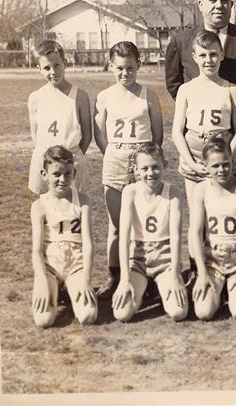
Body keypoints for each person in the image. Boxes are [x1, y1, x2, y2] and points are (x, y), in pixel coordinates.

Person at [94, 41, 163, 297]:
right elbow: (101, 135)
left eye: (130, 67)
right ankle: (116, 275)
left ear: (139, 65)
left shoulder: (148, 96)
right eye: (120, 68)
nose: (125, 73)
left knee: (143, 222)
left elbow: (157, 136)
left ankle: (147, 275)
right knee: (116, 225)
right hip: (115, 160)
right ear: (111, 66)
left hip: (142, 162)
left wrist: (143, 160)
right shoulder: (104, 97)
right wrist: (114, 153)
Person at [171, 30, 236, 259]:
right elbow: (176, 131)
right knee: (197, 217)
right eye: (203, 55)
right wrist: (192, 164)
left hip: (223, 157)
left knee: (223, 211)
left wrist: (227, 158)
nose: (208, 60)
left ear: (222, 55)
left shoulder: (231, 89)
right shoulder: (186, 89)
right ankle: (198, 268)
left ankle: (226, 263)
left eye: (213, 54)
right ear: (194, 56)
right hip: (194, 157)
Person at [112, 143, 188, 322]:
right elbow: (123, 238)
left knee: (178, 313)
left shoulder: (173, 193)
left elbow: (176, 236)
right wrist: (124, 279)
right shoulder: (130, 192)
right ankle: (144, 287)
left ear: (165, 165)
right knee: (121, 314)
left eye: (155, 167)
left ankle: (162, 287)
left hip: (164, 259)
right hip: (138, 259)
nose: (150, 173)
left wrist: (176, 273)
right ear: (136, 170)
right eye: (144, 168)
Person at [189, 138, 236, 321]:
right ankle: (219, 291)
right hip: (213, 260)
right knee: (203, 312)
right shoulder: (201, 189)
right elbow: (195, 232)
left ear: (233, 160)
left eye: (226, 164)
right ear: (206, 166)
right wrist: (201, 273)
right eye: (216, 166)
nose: (222, 170)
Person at [30, 145, 98, 327]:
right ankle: (54, 289)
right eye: (56, 174)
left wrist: (86, 279)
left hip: (75, 264)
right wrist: (42, 279)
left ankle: (71, 288)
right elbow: (36, 250)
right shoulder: (39, 205)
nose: (62, 179)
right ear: (45, 175)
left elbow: (89, 244)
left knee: (88, 316)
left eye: (67, 174)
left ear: (74, 173)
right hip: (50, 266)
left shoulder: (82, 201)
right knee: (43, 320)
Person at [27, 40, 92, 194]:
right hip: (45, 162)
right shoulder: (35, 97)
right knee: (47, 209)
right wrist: (48, 161)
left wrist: (70, 160)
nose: (53, 72)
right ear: (39, 69)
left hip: (71, 163)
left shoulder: (80, 96)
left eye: (57, 65)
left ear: (65, 63)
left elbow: (87, 135)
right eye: (47, 68)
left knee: (74, 210)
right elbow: (35, 135)